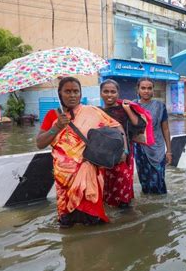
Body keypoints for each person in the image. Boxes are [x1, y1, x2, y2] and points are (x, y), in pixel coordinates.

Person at [36, 77, 125, 227]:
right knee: (67, 222)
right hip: (65, 177)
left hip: (90, 168)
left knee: (93, 218)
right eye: (67, 91)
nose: (72, 95)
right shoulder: (53, 115)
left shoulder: (92, 111)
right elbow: (39, 143)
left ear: (80, 93)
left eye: (76, 91)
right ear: (60, 93)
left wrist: (123, 151)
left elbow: (117, 128)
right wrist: (56, 127)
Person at [100, 79, 152, 208]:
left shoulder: (124, 109)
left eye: (113, 91)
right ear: (101, 93)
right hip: (104, 157)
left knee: (122, 189)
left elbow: (140, 124)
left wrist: (128, 109)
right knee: (106, 189)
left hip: (124, 154)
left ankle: (127, 216)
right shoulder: (97, 112)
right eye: (106, 91)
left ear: (118, 93)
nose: (109, 95)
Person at [134, 77, 172, 194]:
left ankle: (161, 205)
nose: (146, 91)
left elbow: (165, 129)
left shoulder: (160, 106)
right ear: (138, 89)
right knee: (144, 180)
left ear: (153, 90)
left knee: (158, 180)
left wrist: (169, 151)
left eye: (149, 88)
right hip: (140, 148)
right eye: (143, 88)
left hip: (157, 149)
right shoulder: (132, 106)